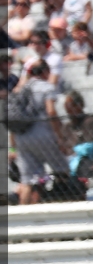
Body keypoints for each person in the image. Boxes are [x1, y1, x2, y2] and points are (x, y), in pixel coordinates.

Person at [8, 61, 69, 205]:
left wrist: (13, 145)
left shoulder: (20, 89)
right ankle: (65, 202)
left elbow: (13, 118)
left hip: (22, 137)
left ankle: (23, 215)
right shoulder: (46, 87)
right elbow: (51, 111)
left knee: (28, 180)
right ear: (45, 72)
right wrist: (60, 137)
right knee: (62, 171)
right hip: (43, 134)